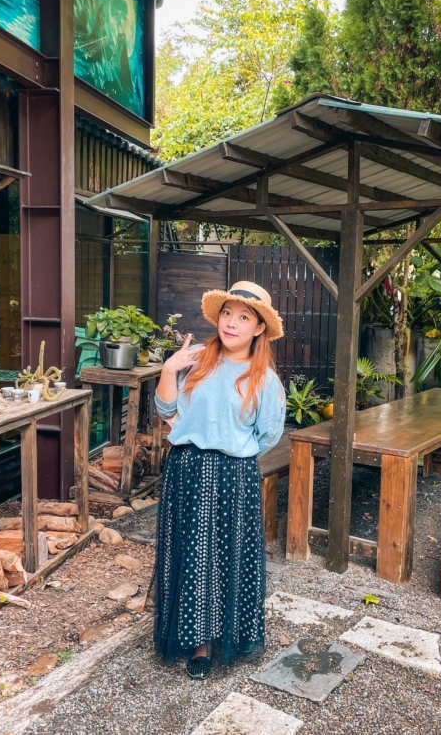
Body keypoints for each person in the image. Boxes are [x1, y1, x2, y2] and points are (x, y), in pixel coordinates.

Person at [153, 281, 286, 679]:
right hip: (185, 470)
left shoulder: (264, 379)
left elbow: (268, 435)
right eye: (227, 313)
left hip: (233, 474)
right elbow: (165, 407)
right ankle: (197, 639)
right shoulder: (197, 360)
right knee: (190, 553)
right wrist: (168, 369)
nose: (232, 323)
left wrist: (232, 450)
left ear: (259, 328)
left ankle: (224, 634)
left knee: (225, 555)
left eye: (244, 317)